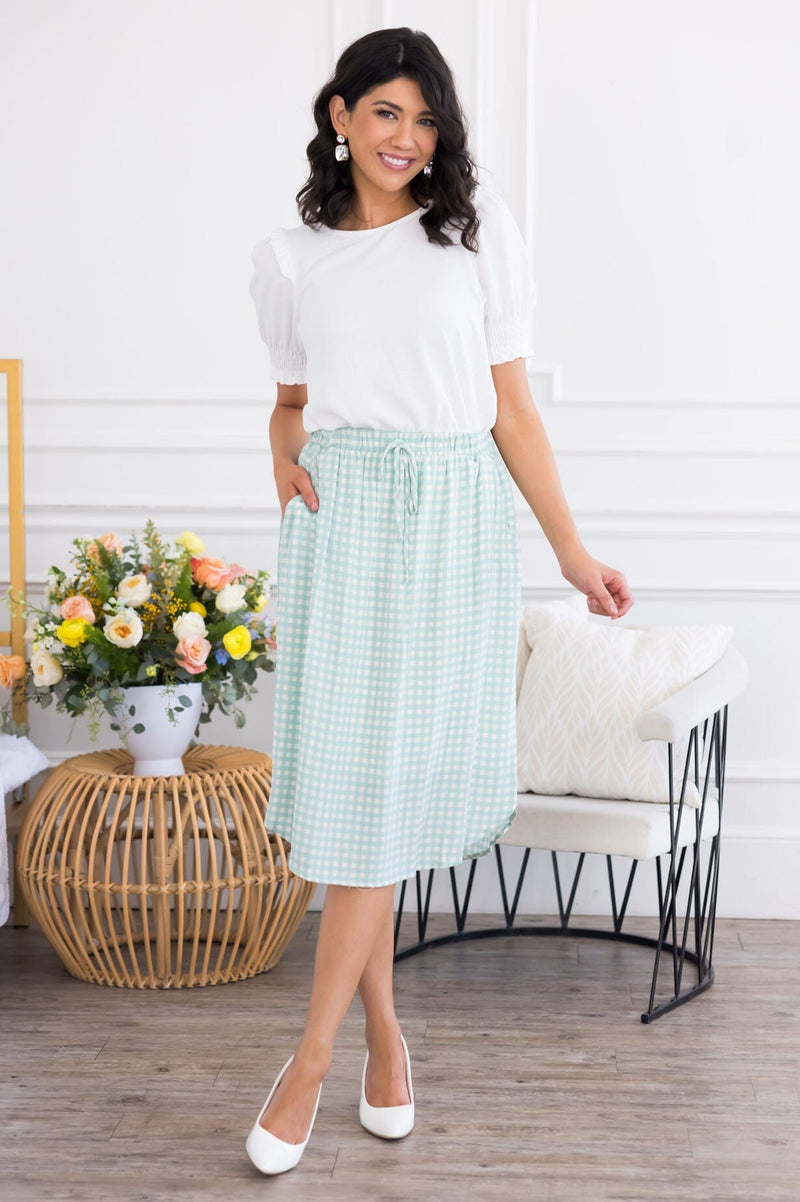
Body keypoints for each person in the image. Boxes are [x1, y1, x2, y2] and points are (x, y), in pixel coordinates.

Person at [245, 26, 633, 1176]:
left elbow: (511, 409)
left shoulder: (472, 232)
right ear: (339, 115)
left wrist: (569, 551)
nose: (404, 137)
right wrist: (281, 453)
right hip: (345, 522)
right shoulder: (290, 258)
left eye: (423, 118)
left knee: (388, 792)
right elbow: (289, 400)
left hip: (453, 521)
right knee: (357, 792)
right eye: (384, 112)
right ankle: (377, 1037)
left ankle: (311, 1058)